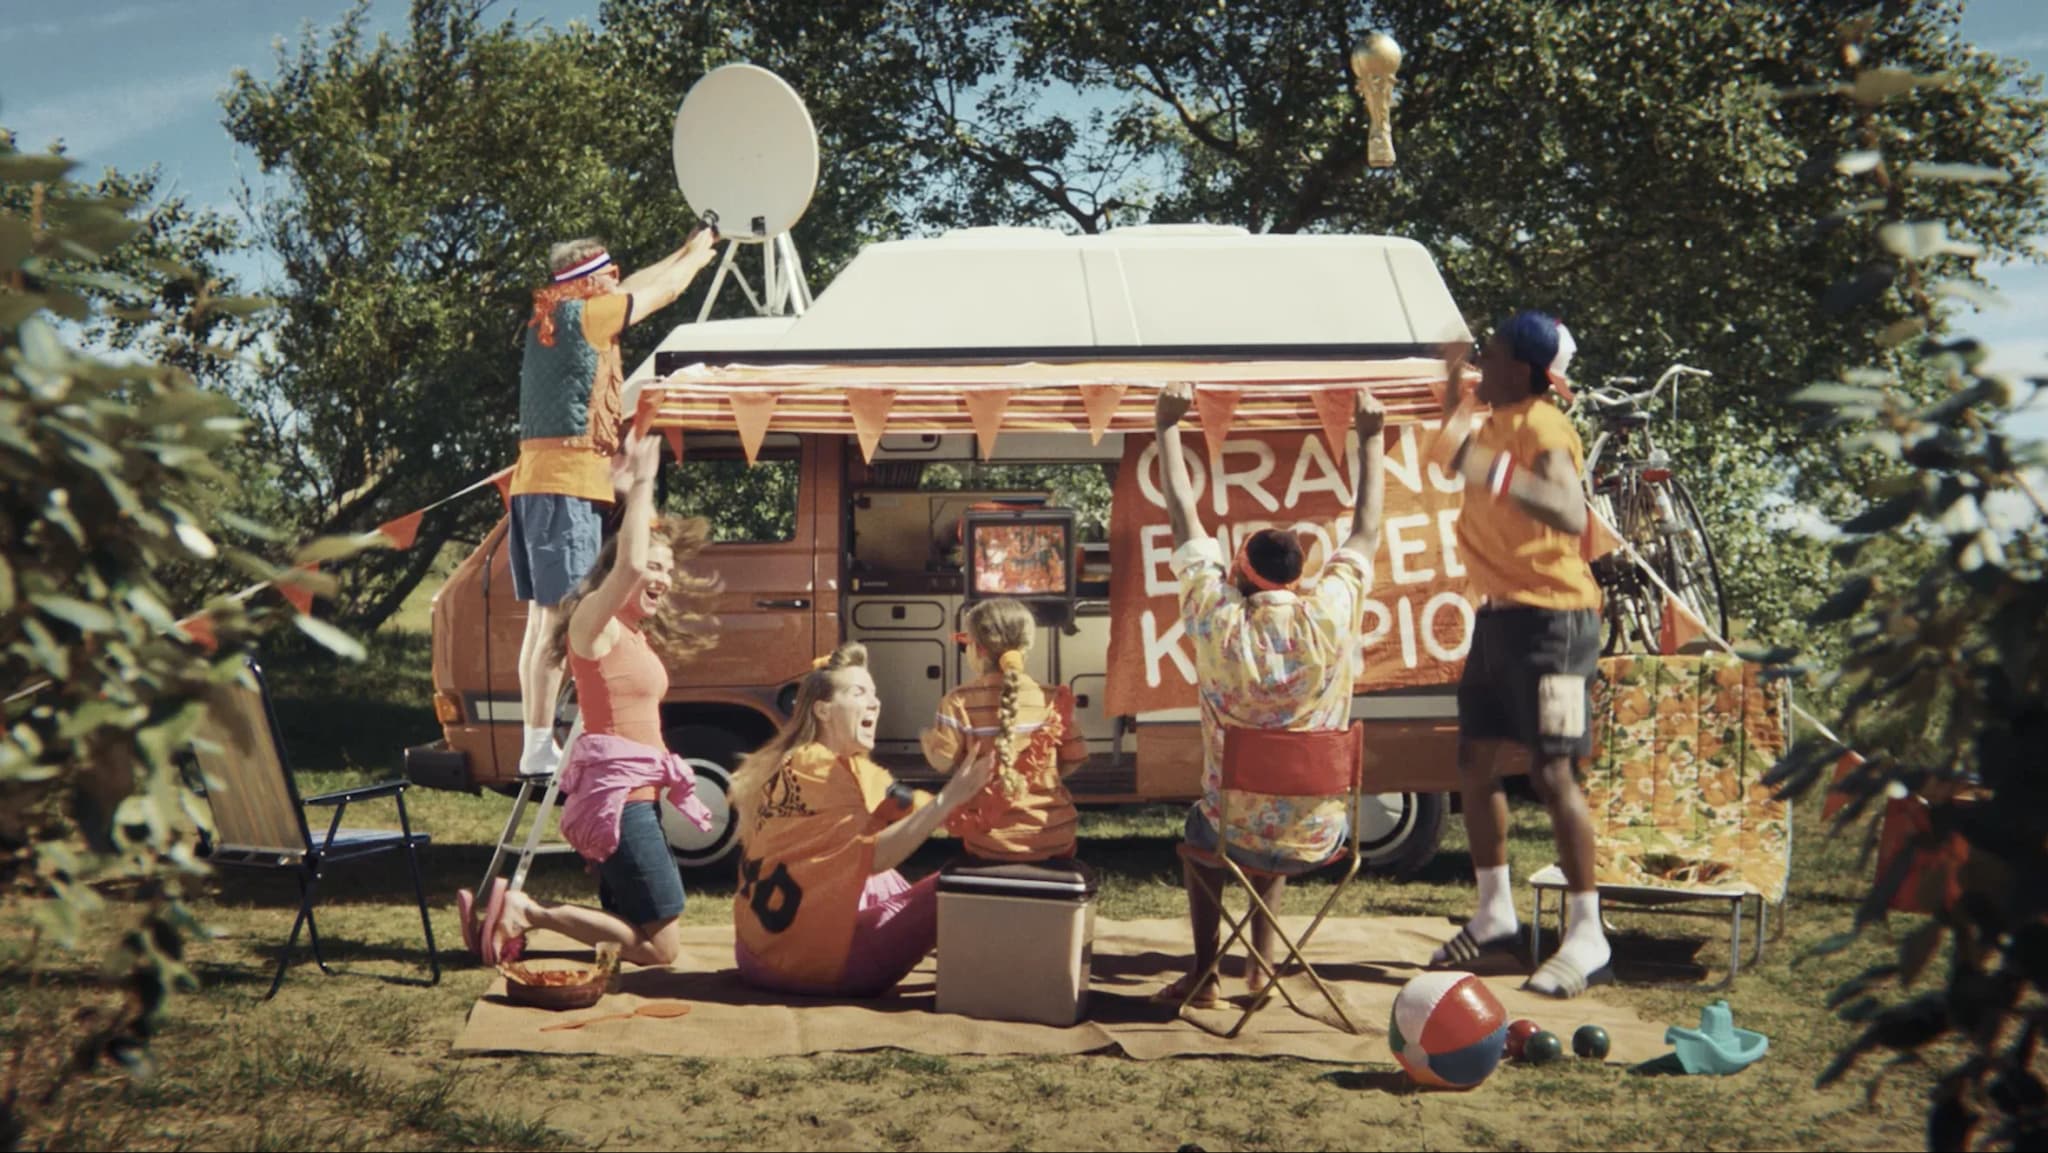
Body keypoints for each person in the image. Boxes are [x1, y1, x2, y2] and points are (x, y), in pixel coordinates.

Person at [1151, 381, 1386, 1008]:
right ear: (1301, 576)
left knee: (1215, 831)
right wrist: (1373, 438)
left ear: (1239, 575)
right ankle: (1261, 970)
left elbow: (1182, 516)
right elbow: (1365, 531)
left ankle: (1206, 978)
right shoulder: (1330, 614)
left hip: (1236, 828)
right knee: (1278, 799)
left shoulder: (1217, 616)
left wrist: (1168, 426)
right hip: (1321, 832)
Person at [464, 428, 722, 967]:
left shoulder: (630, 631)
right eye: (656, 567)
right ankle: (524, 910)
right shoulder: (591, 625)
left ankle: (512, 913)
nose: (664, 579)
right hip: (621, 804)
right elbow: (626, 561)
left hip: (633, 800)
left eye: (669, 570)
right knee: (661, 948)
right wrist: (646, 480)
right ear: (614, 573)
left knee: (642, 929)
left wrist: (631, 494)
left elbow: (632, 557)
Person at [1427, 310, 1610, 999]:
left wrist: (1485, 466)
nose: (1482, 358)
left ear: (1525, 369)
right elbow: (1455, 447)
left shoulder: (1540, 423)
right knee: (1474, 761)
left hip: (1556, 622)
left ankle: (1588, 934)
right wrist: (1447, 376)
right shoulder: (1497, 422)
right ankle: (1496, 916)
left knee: (1552, 770)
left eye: (1492, 351)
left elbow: (1568, 511)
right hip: (1499, 618)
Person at [508, 227, 720, 780]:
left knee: (541, 621)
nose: (617, 283)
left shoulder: (557, 314)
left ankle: (536, 739)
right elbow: (662, 293)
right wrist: (697, 258)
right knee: (561, 623)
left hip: (539, 484)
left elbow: (641, 282)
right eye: (610, 276)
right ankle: (537, 744)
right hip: (568, 486)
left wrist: (680, 248)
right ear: (592, 280)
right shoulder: (591, 315)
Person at [728, 644, 998, 997]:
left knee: (880, 875)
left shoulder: (809, 761)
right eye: (859, 693)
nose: (875, 703)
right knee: (959, 884)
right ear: (822, 710)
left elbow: (907, 804)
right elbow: (877, 856)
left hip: (755, 954)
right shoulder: (822, 769)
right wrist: (952, 797)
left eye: (874, 693)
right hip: (812, 967)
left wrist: (966, 809)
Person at [919, 598, 1090, 863]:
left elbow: (943, 763)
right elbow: (1074, 760)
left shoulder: (958, 701)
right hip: (1055, 837)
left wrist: (927, 741)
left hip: (988, 843)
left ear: (977, 649)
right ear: (1026, 647)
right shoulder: (1054, 698)